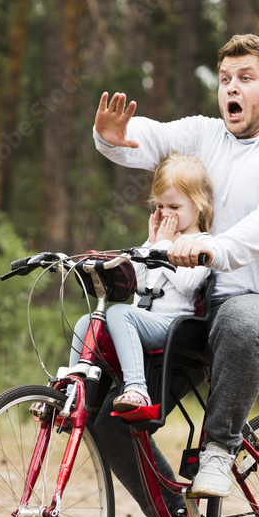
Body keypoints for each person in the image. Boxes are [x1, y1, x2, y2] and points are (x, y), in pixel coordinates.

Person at [91, 34, 259, 517]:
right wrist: (111, 139)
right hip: (192, 312)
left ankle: (218, 450)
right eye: (224, 79)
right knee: (106, 419)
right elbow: (149, 138)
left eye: (245, 78)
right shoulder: (206, 135)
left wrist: (212, 247)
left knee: (241, 316)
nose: (231, 89)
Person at [68, 153, 214, 412]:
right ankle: (73, 392)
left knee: (120, 314)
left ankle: (137, 389)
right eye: (160, 207)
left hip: (173, 326)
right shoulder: (157, 239)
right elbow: (133, 278)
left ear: (198, 204)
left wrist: (163, 247)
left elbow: (188, 285)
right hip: (141, 321)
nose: (166, 214)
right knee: (88, 322)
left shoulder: (203, 243)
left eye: (174, 208)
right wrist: (141, 250)